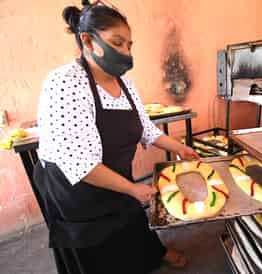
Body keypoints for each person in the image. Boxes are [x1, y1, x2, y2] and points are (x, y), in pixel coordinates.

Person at [33, 1, 199, 273]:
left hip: (115, 174)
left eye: (129, 45)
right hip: (76, 188)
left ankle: (151, 255)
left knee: (131, 220)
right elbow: (79, 165)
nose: (125, 52)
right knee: (99, 246)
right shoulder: (65, 83)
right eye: (117, 42)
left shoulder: (125, 84)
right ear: (87, 40)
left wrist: (179, 148)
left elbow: (146, 128)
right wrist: (132, 189)